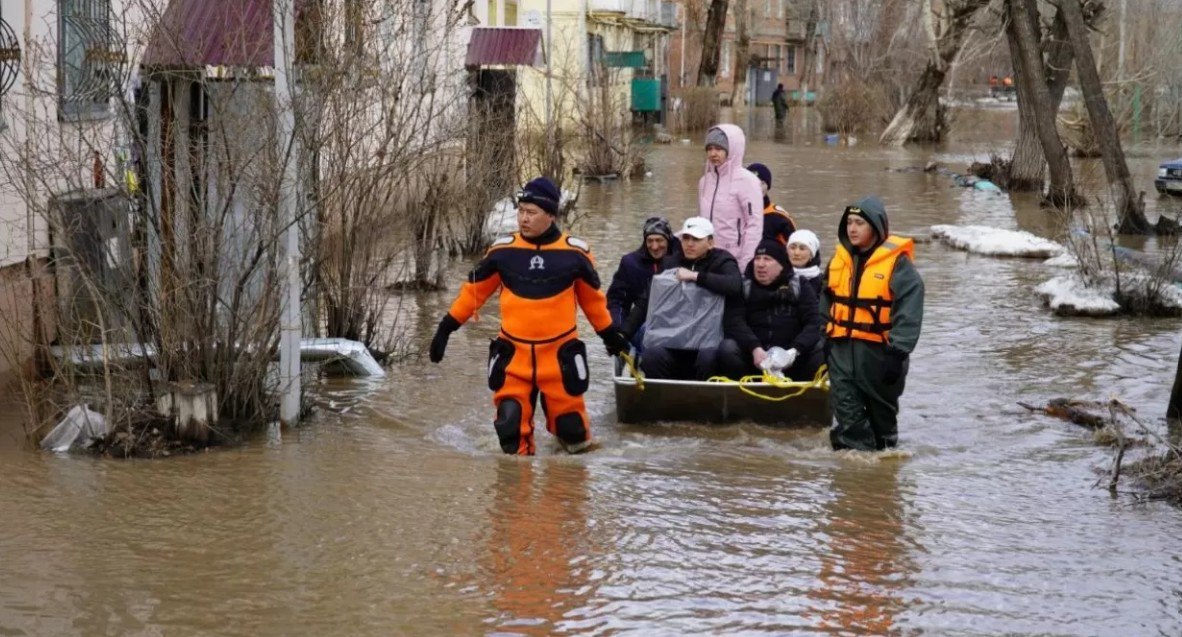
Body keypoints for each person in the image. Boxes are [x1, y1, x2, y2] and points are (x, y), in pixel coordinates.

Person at [428, 177, 629, 456]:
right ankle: (515, 494)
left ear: (550, 215)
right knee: (509, 429)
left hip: (559, 355)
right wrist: (445, 328)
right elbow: (473, 293)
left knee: (574, 434)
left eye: (531, 212)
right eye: (520, 211)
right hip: (514, 355)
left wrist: (610, 335)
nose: (523, 218)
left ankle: (564, 490)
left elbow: (592, 301)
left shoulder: (575, 254)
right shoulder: (502, 252)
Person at [822, 196, 924, 451]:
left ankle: (880, 471)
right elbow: (825, 299)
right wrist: (822, 335)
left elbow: (909, 309)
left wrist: (899, 350)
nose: (852, 229)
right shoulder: (838, 261)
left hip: (881, 354)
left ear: (876, 227)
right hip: (842, 350)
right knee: (846, 411)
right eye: (849, 223)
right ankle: (854, 473)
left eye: (859, 223)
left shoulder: (899, 265)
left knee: (882, 424)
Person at [622, 217, 745, 381]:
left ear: (710, 242)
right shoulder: (670, 263)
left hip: (709, 341)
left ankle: (706, 399)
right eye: (686, 238)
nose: (689, 244)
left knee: (708, 356)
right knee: (652, 355)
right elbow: (647, 301)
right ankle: (664, 398)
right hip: (675, 341)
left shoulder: (723, 261)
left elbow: (734, 285)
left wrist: (695, 276)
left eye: (696, 239)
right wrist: (623, 334)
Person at [719, 239, 822, 381]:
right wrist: (754, 347)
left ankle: (807, 390)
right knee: (727, 348)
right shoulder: (744, 286)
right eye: (757, 259)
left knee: (821, 346)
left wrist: (795, 350)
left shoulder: (800, 285)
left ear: (781, 265)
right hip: (753, 357)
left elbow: (814, 322)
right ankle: (740, 390)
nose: (760, 264)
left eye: (767, 259)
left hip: (792, 358)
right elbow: (734, 321)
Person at [605, 216, 679, 351]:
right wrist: (618, 329)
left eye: (659, 240)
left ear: (668, 239)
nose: (655, 247)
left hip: (677, 323)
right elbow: (617, 300)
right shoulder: (630, 263)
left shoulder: (683, 258)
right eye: (650, 241)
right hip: (641, 325)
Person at [699, 124, 764, 270]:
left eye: (719, 149)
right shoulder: (704, 181)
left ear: (732, 150)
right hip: (707, 257)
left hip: (735, 259)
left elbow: (754, 225)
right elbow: (702, 222)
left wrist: (747, 265)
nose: (713, 153)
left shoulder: (747, 181)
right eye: (709, 149)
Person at [746, 162, 797, 246]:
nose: (756, 187)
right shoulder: (734, 213)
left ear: (768, 187)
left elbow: (795, 250)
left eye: (761, 183)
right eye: (751, 182)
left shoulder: (779, 218)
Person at [786, 229, 823, 297]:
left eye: (802, 249)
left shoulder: (822, 283)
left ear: (812, 254)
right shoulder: (777, 277)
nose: (796, 253)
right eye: (793, 248)